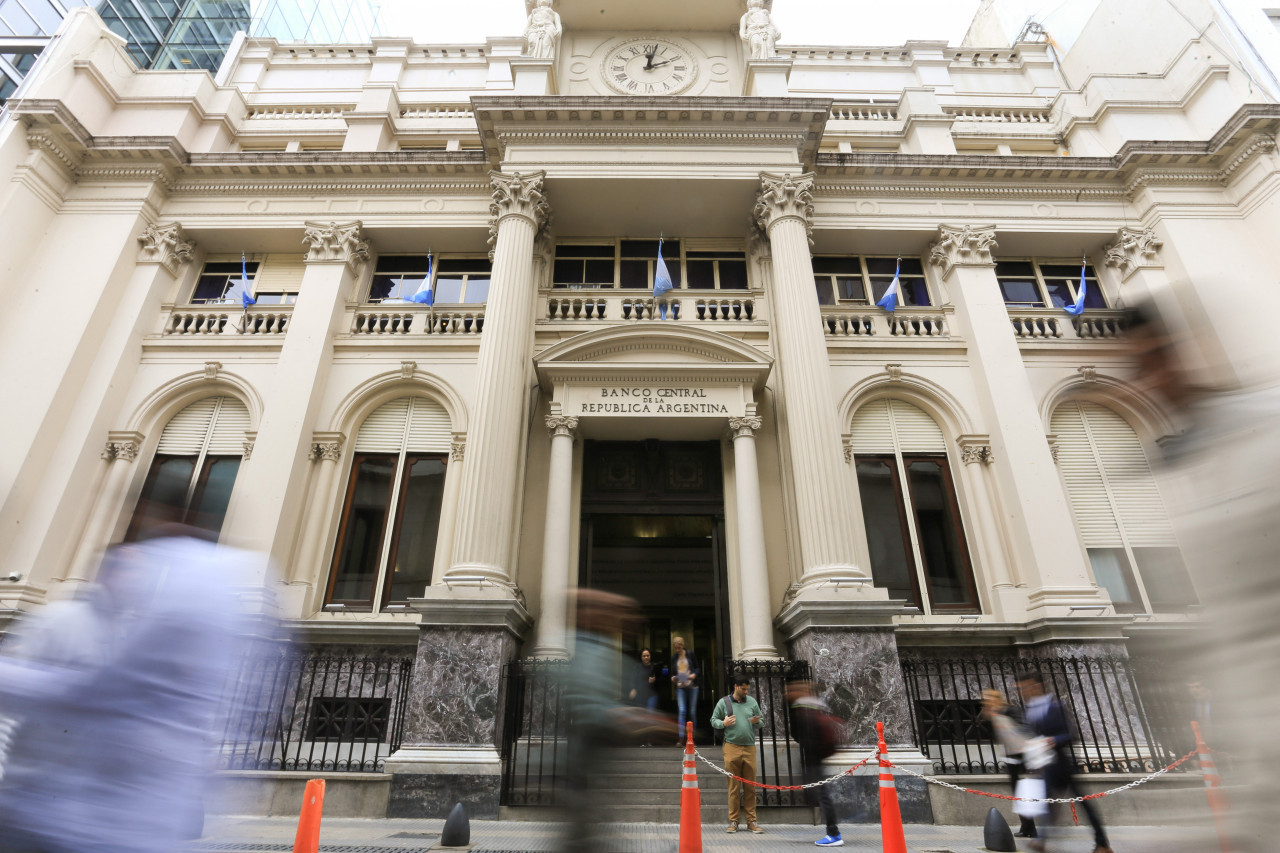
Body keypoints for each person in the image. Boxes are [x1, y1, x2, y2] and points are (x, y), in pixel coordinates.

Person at [0, 532, 260, 853]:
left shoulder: (130, 632)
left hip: (83, 806)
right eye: (134, 571)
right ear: (109, 574)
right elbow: (10, 707)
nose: (145, 581)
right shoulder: (59, 621)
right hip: (31, 801)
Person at [1016, 671, 1112, 853]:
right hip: (1044, 764)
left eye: (1026, 687)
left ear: (1037, 686)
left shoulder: (1056, 706)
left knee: (1083, 803)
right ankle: (1042, 840)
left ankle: (1103, 844)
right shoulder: (1028, 710)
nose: (1023, 692)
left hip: (1062, 764)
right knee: (1047, 803)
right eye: (1020, 689)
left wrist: (1054, 740)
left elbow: (1071, 734)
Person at [787, 678, 842, 847]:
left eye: (793, 690)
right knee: (820, 793)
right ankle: (833, 831)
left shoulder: (804, 709)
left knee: (823, 795)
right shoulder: (816, 706)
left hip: (813, 758)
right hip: (815, 758)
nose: (789, 694)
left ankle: (834, 834)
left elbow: (800, 734)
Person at [982, 688, 1041, 839]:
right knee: (1017, 793)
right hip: (1010, 757)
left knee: (1024, 792)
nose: (985, 700)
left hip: (1023, 756)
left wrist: (999, 715)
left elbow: (1021, 728)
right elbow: (992, 735)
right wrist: (990, 715)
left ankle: (1031, 828)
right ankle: (1026, 826)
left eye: (988, 697)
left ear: (996, 697)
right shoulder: (990, 714)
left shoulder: (1011, 709)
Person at [711, 674, 765, 834]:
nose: (746, 691)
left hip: (749, 748)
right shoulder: (724, 702)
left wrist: (758, 721)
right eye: (743, 688)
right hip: (731, 747)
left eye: (747, 688)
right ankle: (734, 821)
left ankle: (751, 821)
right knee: (733, 787)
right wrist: (723, 723)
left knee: (750, 787)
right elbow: (713, 720)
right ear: (735, 686)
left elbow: (761, 721)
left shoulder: (752, 702)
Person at [670, 636, 700, 743]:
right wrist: (673, 678)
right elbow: (673, 673)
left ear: (682, 646)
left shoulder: (690, 654)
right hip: (681, 687)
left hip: (692, 686)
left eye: (679, 647)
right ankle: (681, 738)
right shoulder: (674, 658)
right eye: (675, 648)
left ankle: (692, 738)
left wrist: (694, 675)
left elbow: (697, 668)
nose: (677, 650)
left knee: (692, 712)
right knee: (682, 711)